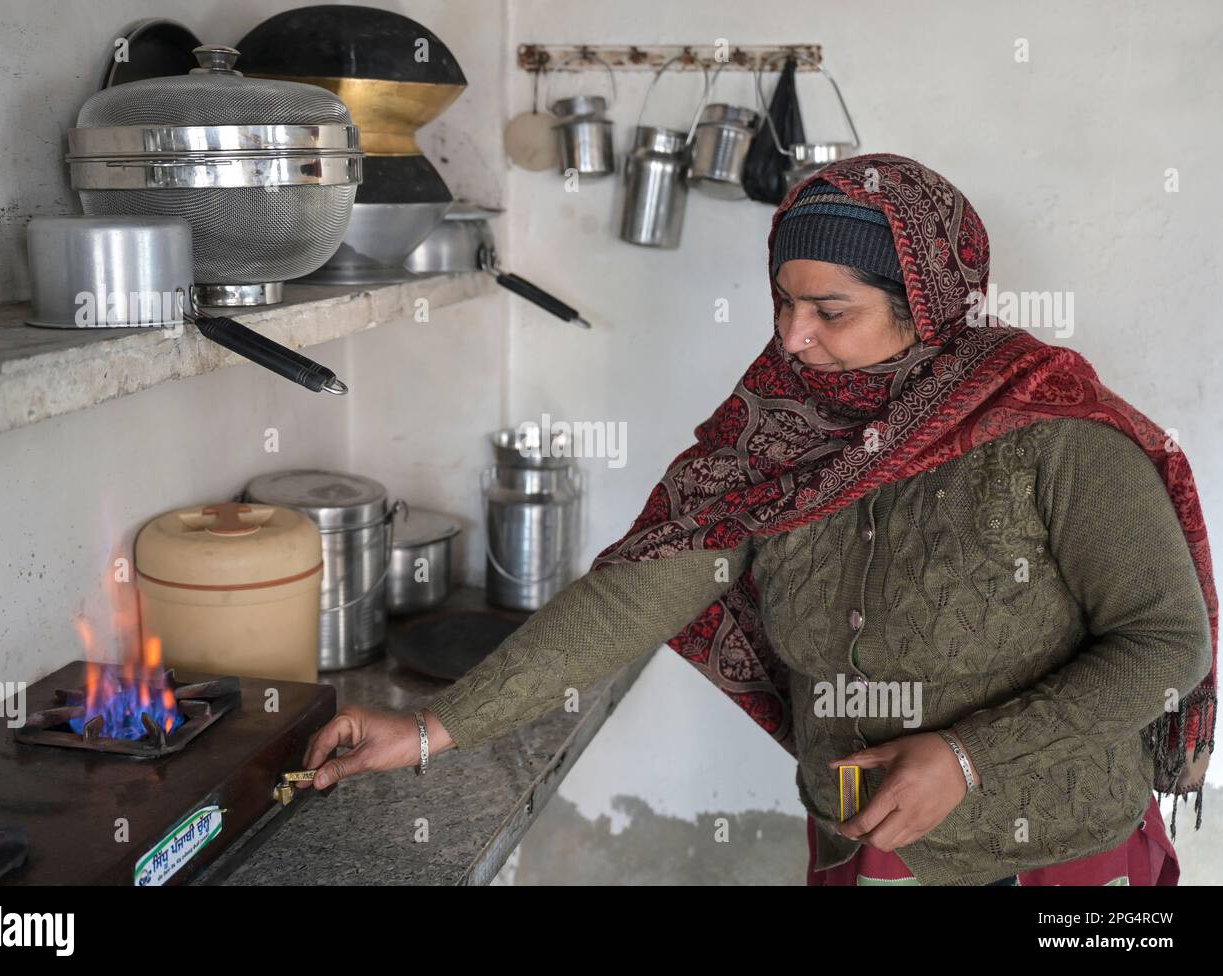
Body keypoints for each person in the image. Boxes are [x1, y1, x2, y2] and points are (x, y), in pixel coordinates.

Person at [301, 153, 1216, 886]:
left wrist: (969, 760)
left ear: (927, 307)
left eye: (831, 311)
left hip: (1060, 857)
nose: (791, 337)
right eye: (782, 299)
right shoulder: (773, 437)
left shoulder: (1052, 435)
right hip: (865, 844)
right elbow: (631, 600)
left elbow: (1165, 643)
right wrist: (429, 730)